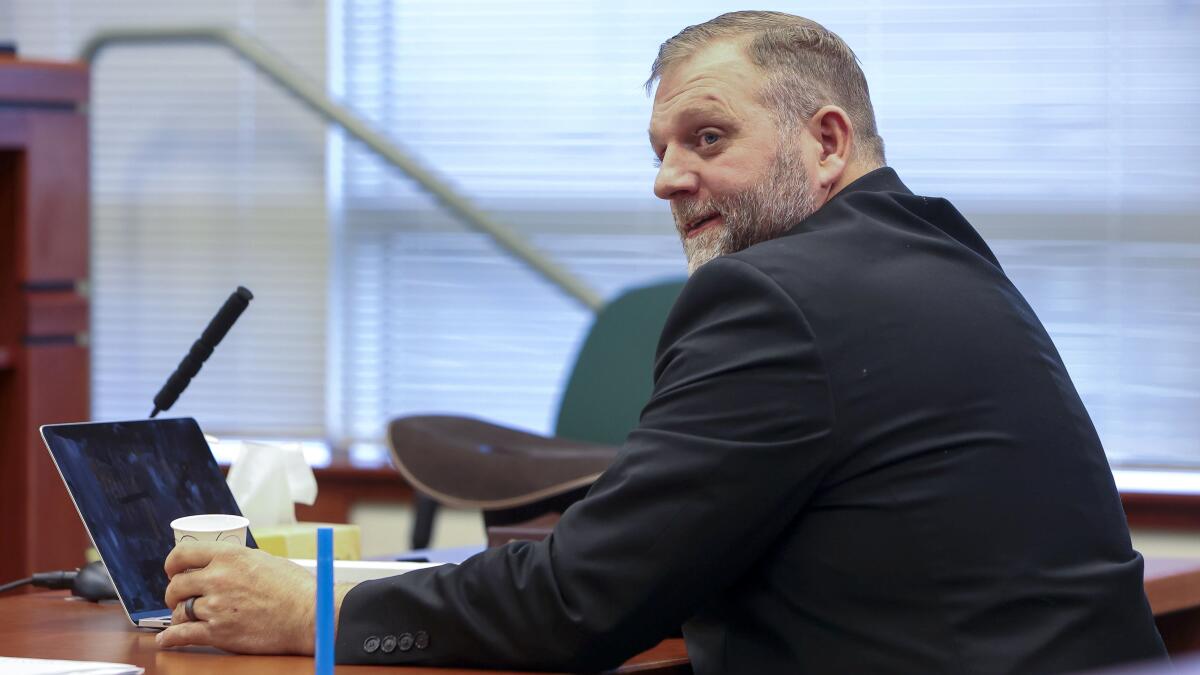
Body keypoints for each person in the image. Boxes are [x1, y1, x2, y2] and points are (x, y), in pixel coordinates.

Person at [156, 11, 1168, 673]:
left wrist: (315, 615)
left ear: (825, 142)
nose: (665, 179)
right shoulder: (945, 256)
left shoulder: (775, 296)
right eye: (658, 150)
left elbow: (578, 602)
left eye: (708, 138)